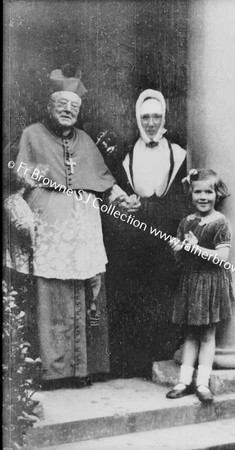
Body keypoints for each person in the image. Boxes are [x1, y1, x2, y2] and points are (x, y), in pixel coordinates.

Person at [5, 65, 136, 389]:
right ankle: (53, 372)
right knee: (53, 297)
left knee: (88, 291)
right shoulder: (32, 134)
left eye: (73, 108)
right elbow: (18, 173)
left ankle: (84, 370)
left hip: (84, 229)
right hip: (50, 230)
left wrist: (122, 197)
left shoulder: (86, 140)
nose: (67, 111)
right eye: (61, 106)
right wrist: (38, 172)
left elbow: (103, 180)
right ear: (49, 107)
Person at [103, 89, 188, 378]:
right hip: (134, 237)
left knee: (163, 294)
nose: (151, 123)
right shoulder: (126, 154)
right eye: (145, 117)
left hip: (165, 234)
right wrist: (127, 200)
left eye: (156, 116)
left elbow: (181, 198)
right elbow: (114, 192)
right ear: (138, 119)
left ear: (164, 118)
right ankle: (133, 364)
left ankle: (162, 357)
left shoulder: (178, 154)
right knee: (133, 295)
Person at [166, 169, 235, 402]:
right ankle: (183, 381)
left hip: (212, 283)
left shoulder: (221, 223)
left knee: (207, 334)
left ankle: (202, 383)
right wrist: (178, 250)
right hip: (191, 282)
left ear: (217, 194)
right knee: (190, 333)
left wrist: (194, 248)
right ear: (191, 194)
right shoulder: (187, 222)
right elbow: (184, 259)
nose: (203, 196)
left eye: (209, 191)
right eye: (198, 192)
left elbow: (221, 258)